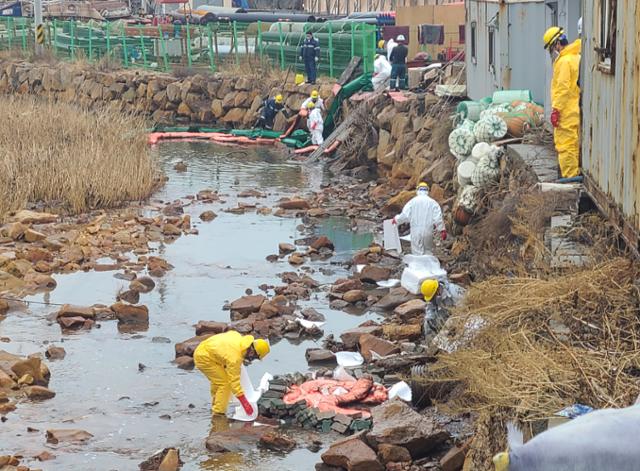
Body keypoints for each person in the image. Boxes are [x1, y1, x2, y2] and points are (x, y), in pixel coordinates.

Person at [193, 330, 270, 416]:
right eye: (254, 357)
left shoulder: (239, 338)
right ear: (252, 352)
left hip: (208, 350)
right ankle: (218, 413)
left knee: (218, 381)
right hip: (203, 358)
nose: (251, 360)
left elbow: (230, 336)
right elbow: (234, 382)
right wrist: (244, 403)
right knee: (224, 384)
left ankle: (216, 403)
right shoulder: (234, 359)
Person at [543, 26, 581, 179]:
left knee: (565, 145)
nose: (553, 52)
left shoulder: (564, 62)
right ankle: (573, 173)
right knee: (573, 143)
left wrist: (556, 110)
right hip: (573, 107)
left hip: (566, 110)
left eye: (552, 48)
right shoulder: (575, 56)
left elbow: (563, 88)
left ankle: (570, 177)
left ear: (557, 43)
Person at [392, 182, 446, 255]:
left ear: (417, 190)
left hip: (415, 231)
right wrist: (442, 230)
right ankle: (428, 265)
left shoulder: (412, 202)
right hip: (428, 231)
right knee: (428, 252)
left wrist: (396, 219)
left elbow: (405, 215)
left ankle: (418, 265)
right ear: (427, 191)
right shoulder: (433, 203)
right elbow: (438, 218)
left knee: (417, 253)